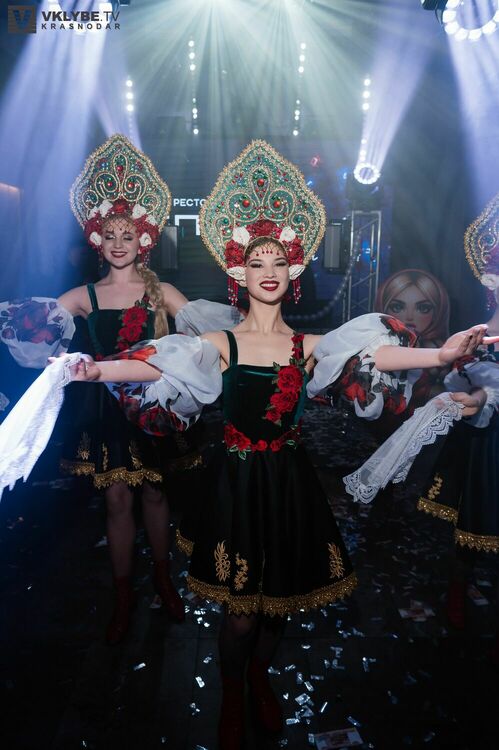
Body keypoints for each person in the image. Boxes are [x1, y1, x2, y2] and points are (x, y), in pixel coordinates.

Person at [1, 142, 493, 748]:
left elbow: (375, 355)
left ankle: (260, 674)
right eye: (257, 261)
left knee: (277, 605)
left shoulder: (310, 345)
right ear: (240, 272)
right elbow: (155, 363)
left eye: (279, 260)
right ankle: (232, 691)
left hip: (289, 486)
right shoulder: (219, 342)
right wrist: (94, 370)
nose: (269, 269)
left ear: (292, 272)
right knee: (239, 615)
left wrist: (442, 353)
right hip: (235, 486)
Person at [0, 134, 241, 645]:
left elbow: (211, 334)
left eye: (126, 235)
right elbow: (34, 325)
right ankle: (124, 594)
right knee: (115, 502)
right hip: (105, 412)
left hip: (151, 409)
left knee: (155, 493)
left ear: (142, 240)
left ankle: (163, 579)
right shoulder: (85, 295)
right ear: (97, 239)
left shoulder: (162, 291)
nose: (117, 243)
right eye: (109, 234)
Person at [417, 196, 499, 661]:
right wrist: (467, 387)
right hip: (486, 447)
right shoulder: (477, 336)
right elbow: (459, 385)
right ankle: (456, 591)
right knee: (473, 525)